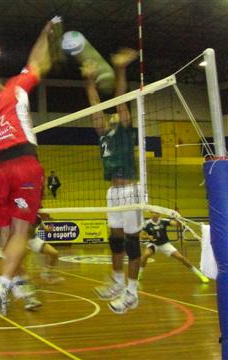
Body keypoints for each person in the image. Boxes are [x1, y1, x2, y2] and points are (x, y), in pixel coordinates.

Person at [0, 19, 57, 316]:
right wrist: (45, 33)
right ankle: (3, 285)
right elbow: (37, 62)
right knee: (22, 231)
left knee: (5, 236)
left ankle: (16, 284)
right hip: (23, 165)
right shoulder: (13, 88)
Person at [84, 48, 142, 314]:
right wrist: (89, 80)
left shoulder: (125, 130)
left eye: (117, 113)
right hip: (113, 193)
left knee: (131, 242)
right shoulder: (103, 134)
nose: (113, 114)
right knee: (115, 241)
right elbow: (95, 107)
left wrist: (120, 69)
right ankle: (118, 282)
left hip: (130, 190)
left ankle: (132, 291)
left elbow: (120, 98)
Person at [139, 211, 209, 283]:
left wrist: (177, 218)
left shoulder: (163, 221)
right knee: (146, 255)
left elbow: (177, 224)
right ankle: (139, 273)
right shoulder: (147, 224)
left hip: (164, 244)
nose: (154, 214)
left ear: (159, 214)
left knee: (181, 257)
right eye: (152, 213)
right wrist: (148, 237)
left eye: (156, 213)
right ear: (150, 213)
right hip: (153, 244)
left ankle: (199, 274)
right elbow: (142, 235)